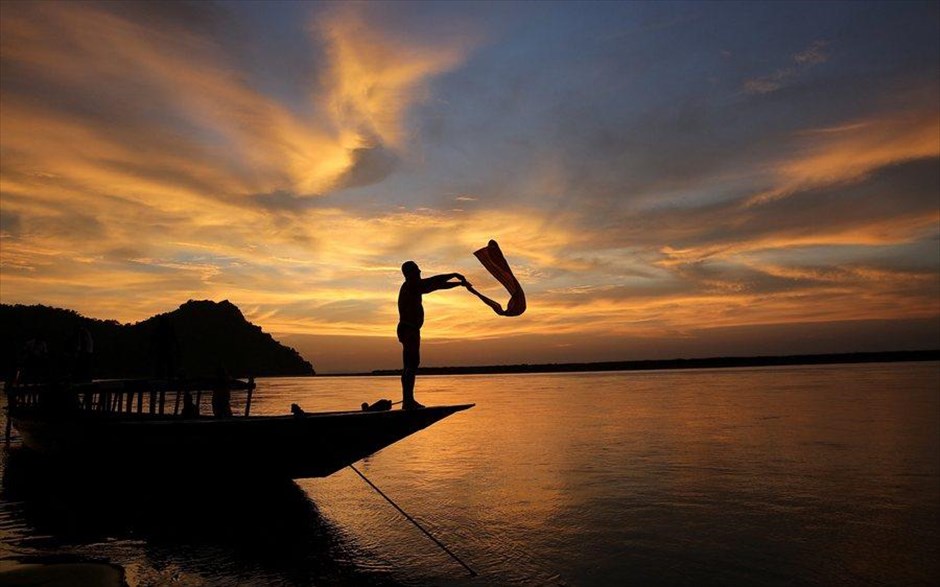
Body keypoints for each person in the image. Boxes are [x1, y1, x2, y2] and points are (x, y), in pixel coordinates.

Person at [397, 261, 468, 409]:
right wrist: (454, 276)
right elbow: (434, 282)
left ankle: (407, 400)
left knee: (410, 365)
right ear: (409, 273)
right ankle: (408, 401)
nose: (420, 271)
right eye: (417, 270)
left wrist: (457, 283)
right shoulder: (411, 285)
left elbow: (435, 285)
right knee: (411, 365)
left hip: (409, 330)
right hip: (409, 330)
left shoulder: (414, 286)